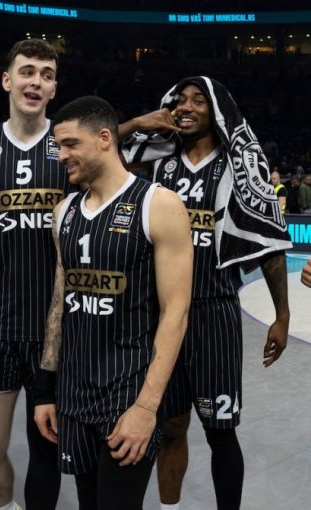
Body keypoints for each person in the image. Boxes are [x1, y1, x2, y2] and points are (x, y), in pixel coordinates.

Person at [118, 76, 291, 510]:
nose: (186, 107)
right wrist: (138, 122)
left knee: (221, 432)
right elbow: (97, 148)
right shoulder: (160, 161)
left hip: (215, 312)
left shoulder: (238, 166)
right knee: (170, 428)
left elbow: (268, 243)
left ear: (218, 111)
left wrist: (282, 315)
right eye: (179, 100)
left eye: (199, 100)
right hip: (161, 315)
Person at [34, 95, 193, 510]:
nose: (61, 155)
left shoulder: (159, 204)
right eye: (58, 145)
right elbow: (59, 304)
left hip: (127, 395)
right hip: (73, 394)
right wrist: (44, 390)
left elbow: (176, 313)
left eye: (70, 144)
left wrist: (147, 407)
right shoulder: (64, 212)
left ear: (105, 138)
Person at [0, 38, 73, 510]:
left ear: (54, 88)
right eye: (27, 71)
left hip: (55, 326)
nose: (35, 82)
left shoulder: (68, 145)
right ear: (7, 80)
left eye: (46, 74)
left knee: (47, 450)